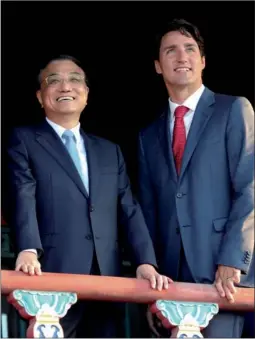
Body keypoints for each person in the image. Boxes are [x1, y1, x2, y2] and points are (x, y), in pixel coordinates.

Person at [7, 55, 171, 338]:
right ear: (39, 96)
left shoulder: (110, 151)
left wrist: (145, 262)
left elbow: (128, 209)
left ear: (86, 95)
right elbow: (23, 193)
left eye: (74, 79)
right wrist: (28, 249)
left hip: (106, 278)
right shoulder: (23, 140)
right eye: (53, 80)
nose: (65, 86)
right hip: (52, 274)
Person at [137, 19, 254, 338]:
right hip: (170, 280)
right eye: (171, 50)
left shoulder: (233, 110)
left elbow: (250, 188)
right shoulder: (148, 136)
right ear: (158, 66)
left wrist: (233, 258)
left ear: (203, 61)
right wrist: (151, 284)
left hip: (222, 274)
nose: (181, 56)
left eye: (190, 49)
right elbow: (149, 213)